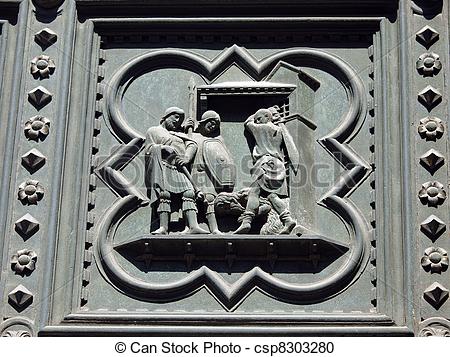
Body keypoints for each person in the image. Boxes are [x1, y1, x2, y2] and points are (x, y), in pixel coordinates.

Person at [234, 107, 299, 234]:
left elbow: (247, 122)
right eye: (257, 119)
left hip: (266, 164)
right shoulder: (279, 130)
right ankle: (287, 219)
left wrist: (260, 112)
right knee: (271, 195)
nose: (257, 121)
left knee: (254, 191)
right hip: (278, 165)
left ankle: (246, 222)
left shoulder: (261, 128)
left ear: (267, 117)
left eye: (259, 118)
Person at [144, 107, 208, 235]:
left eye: (180, 120)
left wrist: (186, 157)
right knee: (164, 194)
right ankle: (163, 227)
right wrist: (162, 148)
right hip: (163, 165)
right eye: (176, 117)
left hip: (179, 168)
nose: (178, 121)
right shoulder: (154, 131)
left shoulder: (179, 134)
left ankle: (193, 226)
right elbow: (148, 149)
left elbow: (192, 144)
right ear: (167, 116)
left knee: (189, 193)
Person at [186, 110, 236, 234]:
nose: (212, 126)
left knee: (209, 199)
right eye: (211, 122)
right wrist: (185, 128)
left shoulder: (217, 140)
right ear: (203, 122)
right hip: (194, 172)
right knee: (190, 197)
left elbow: (224, 158)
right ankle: (190, 226)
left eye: (215, 125)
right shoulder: (192, 136)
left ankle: (214, 229)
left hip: (208, 174)